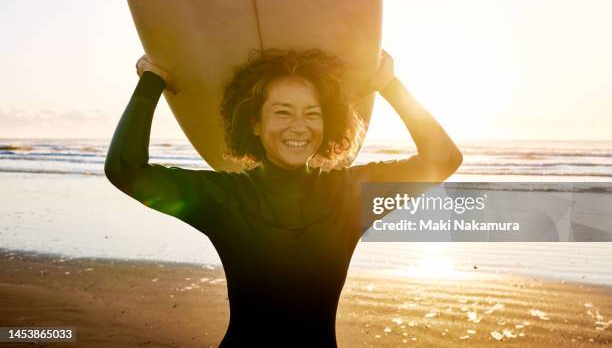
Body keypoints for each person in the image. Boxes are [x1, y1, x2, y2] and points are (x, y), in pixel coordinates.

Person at [104, 49, 462, 347]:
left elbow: (443, 159)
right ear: (255, 124)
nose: (299, 126)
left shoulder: (351, 194)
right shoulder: (224, 198)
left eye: (312, 113)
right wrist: (152, 81)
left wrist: (389, 85)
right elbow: (125, 169)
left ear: (328, 124)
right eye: (282, 112)